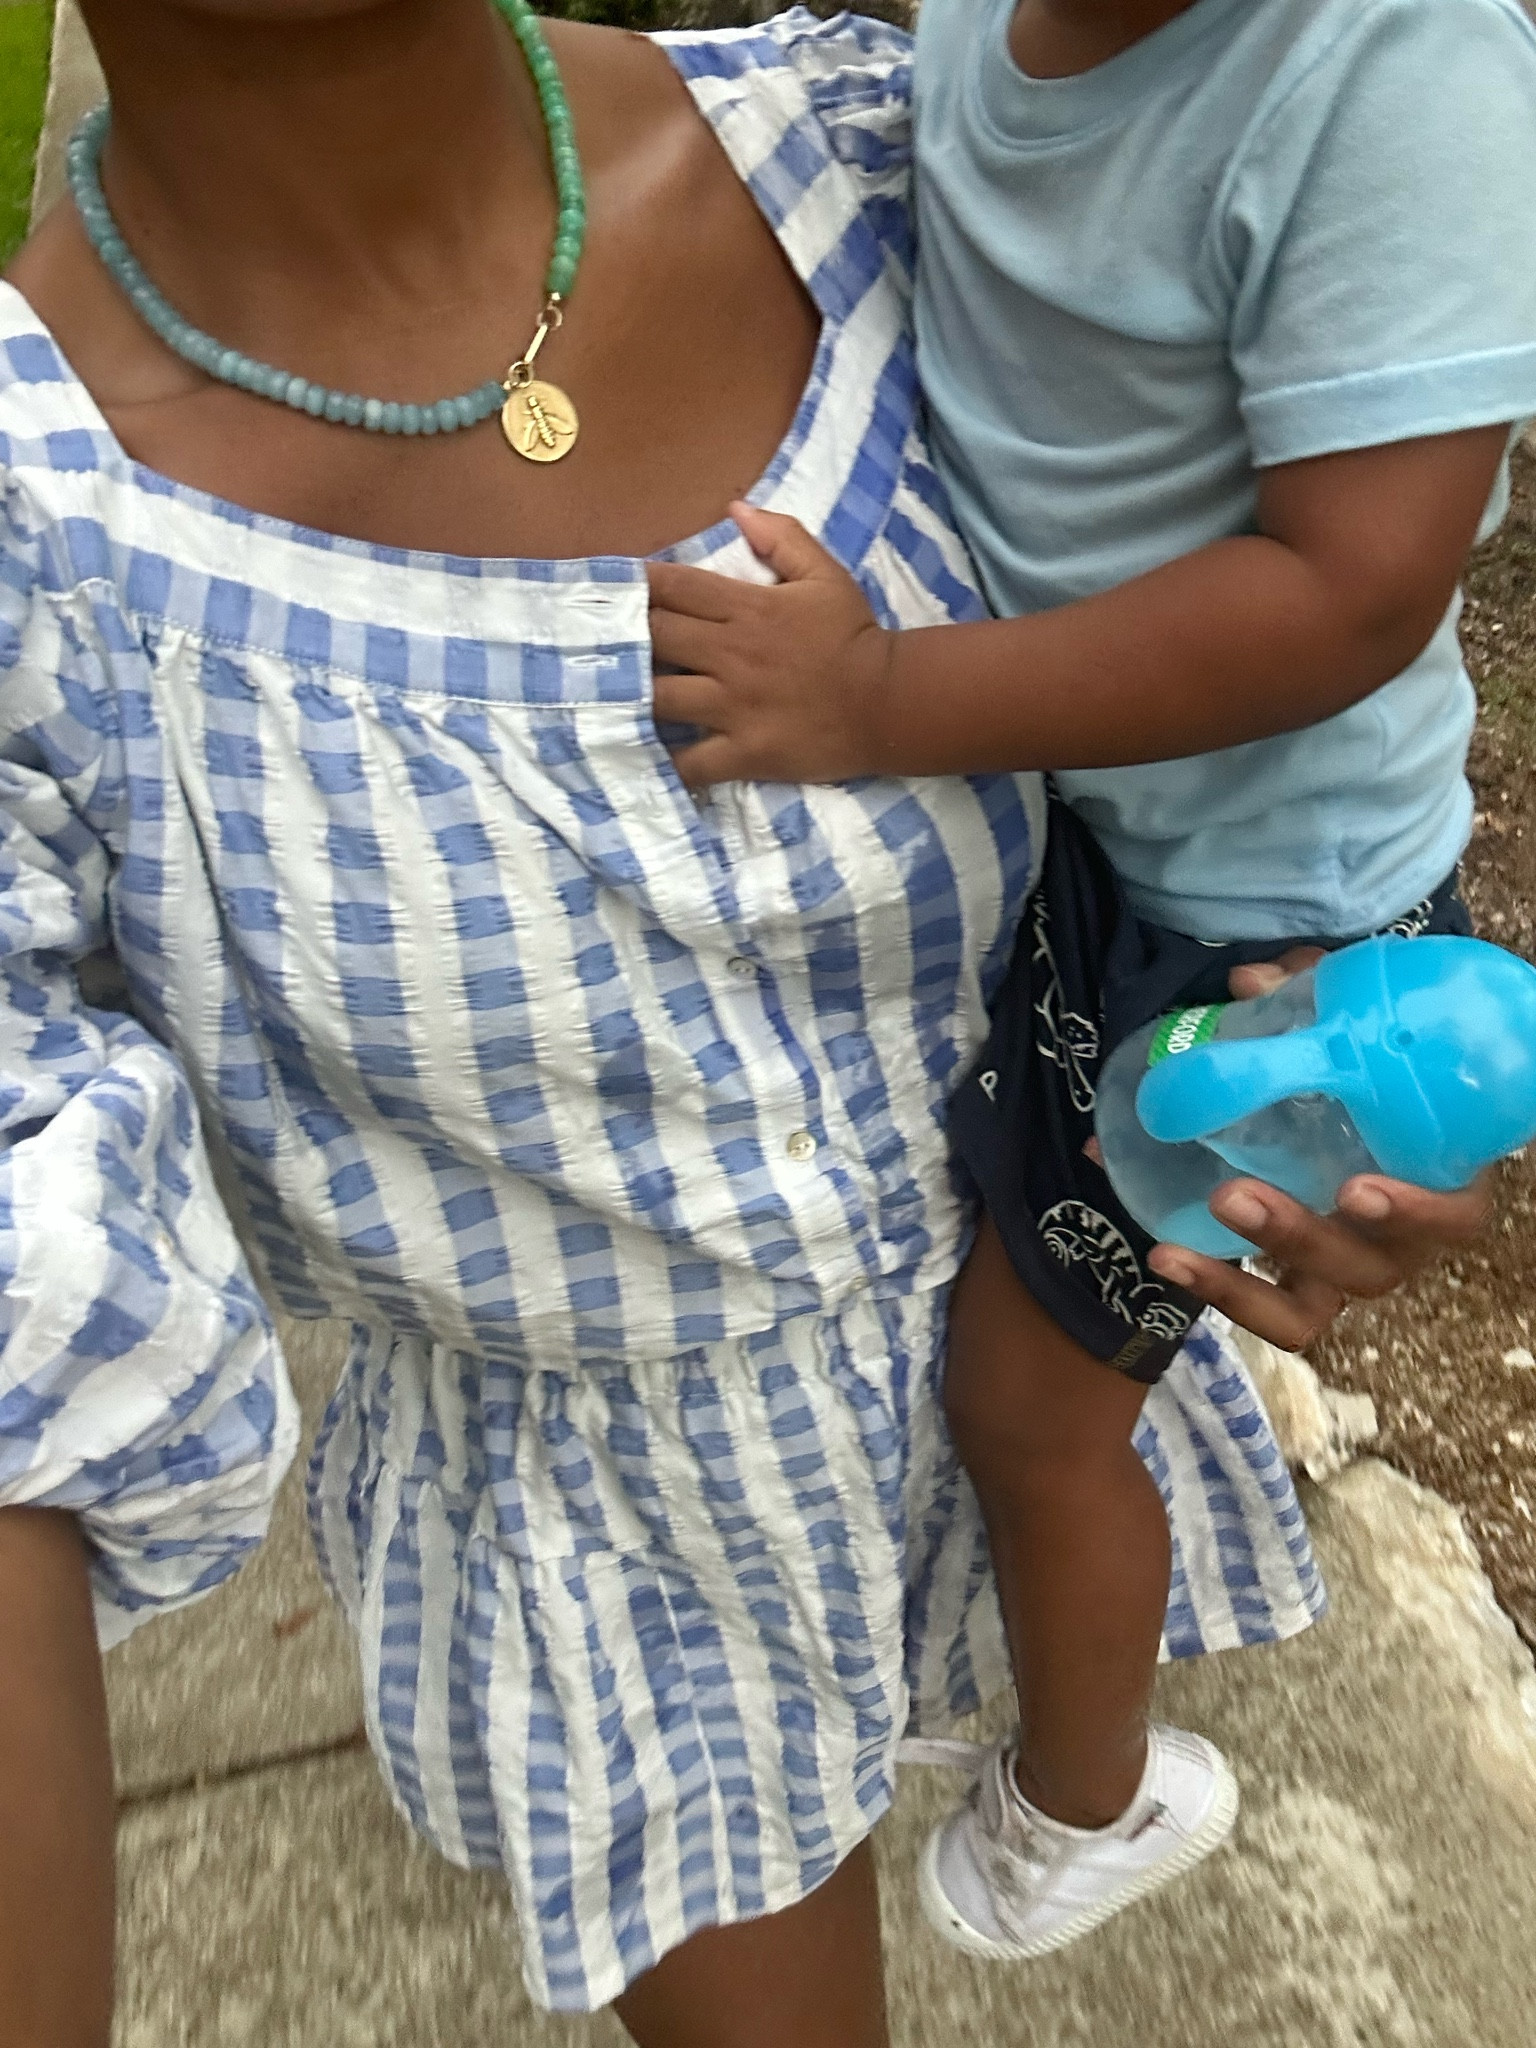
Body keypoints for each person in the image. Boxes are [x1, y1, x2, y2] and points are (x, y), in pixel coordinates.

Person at [0, 3, 1494, 2044]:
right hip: (638, 1576)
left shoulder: (887, 154)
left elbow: (1305, 603)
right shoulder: (43, 556)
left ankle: (1077, 1794)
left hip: (1028, 1236)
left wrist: (1373, 1025)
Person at [643, 0, 1536, 1974]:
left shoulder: (1397, 61)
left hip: (1259, 931)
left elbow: (1352, 581)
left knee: (1030, 1406)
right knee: (1020, 1299)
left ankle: (1086, 1800)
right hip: (1103, 822)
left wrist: (881, 700)